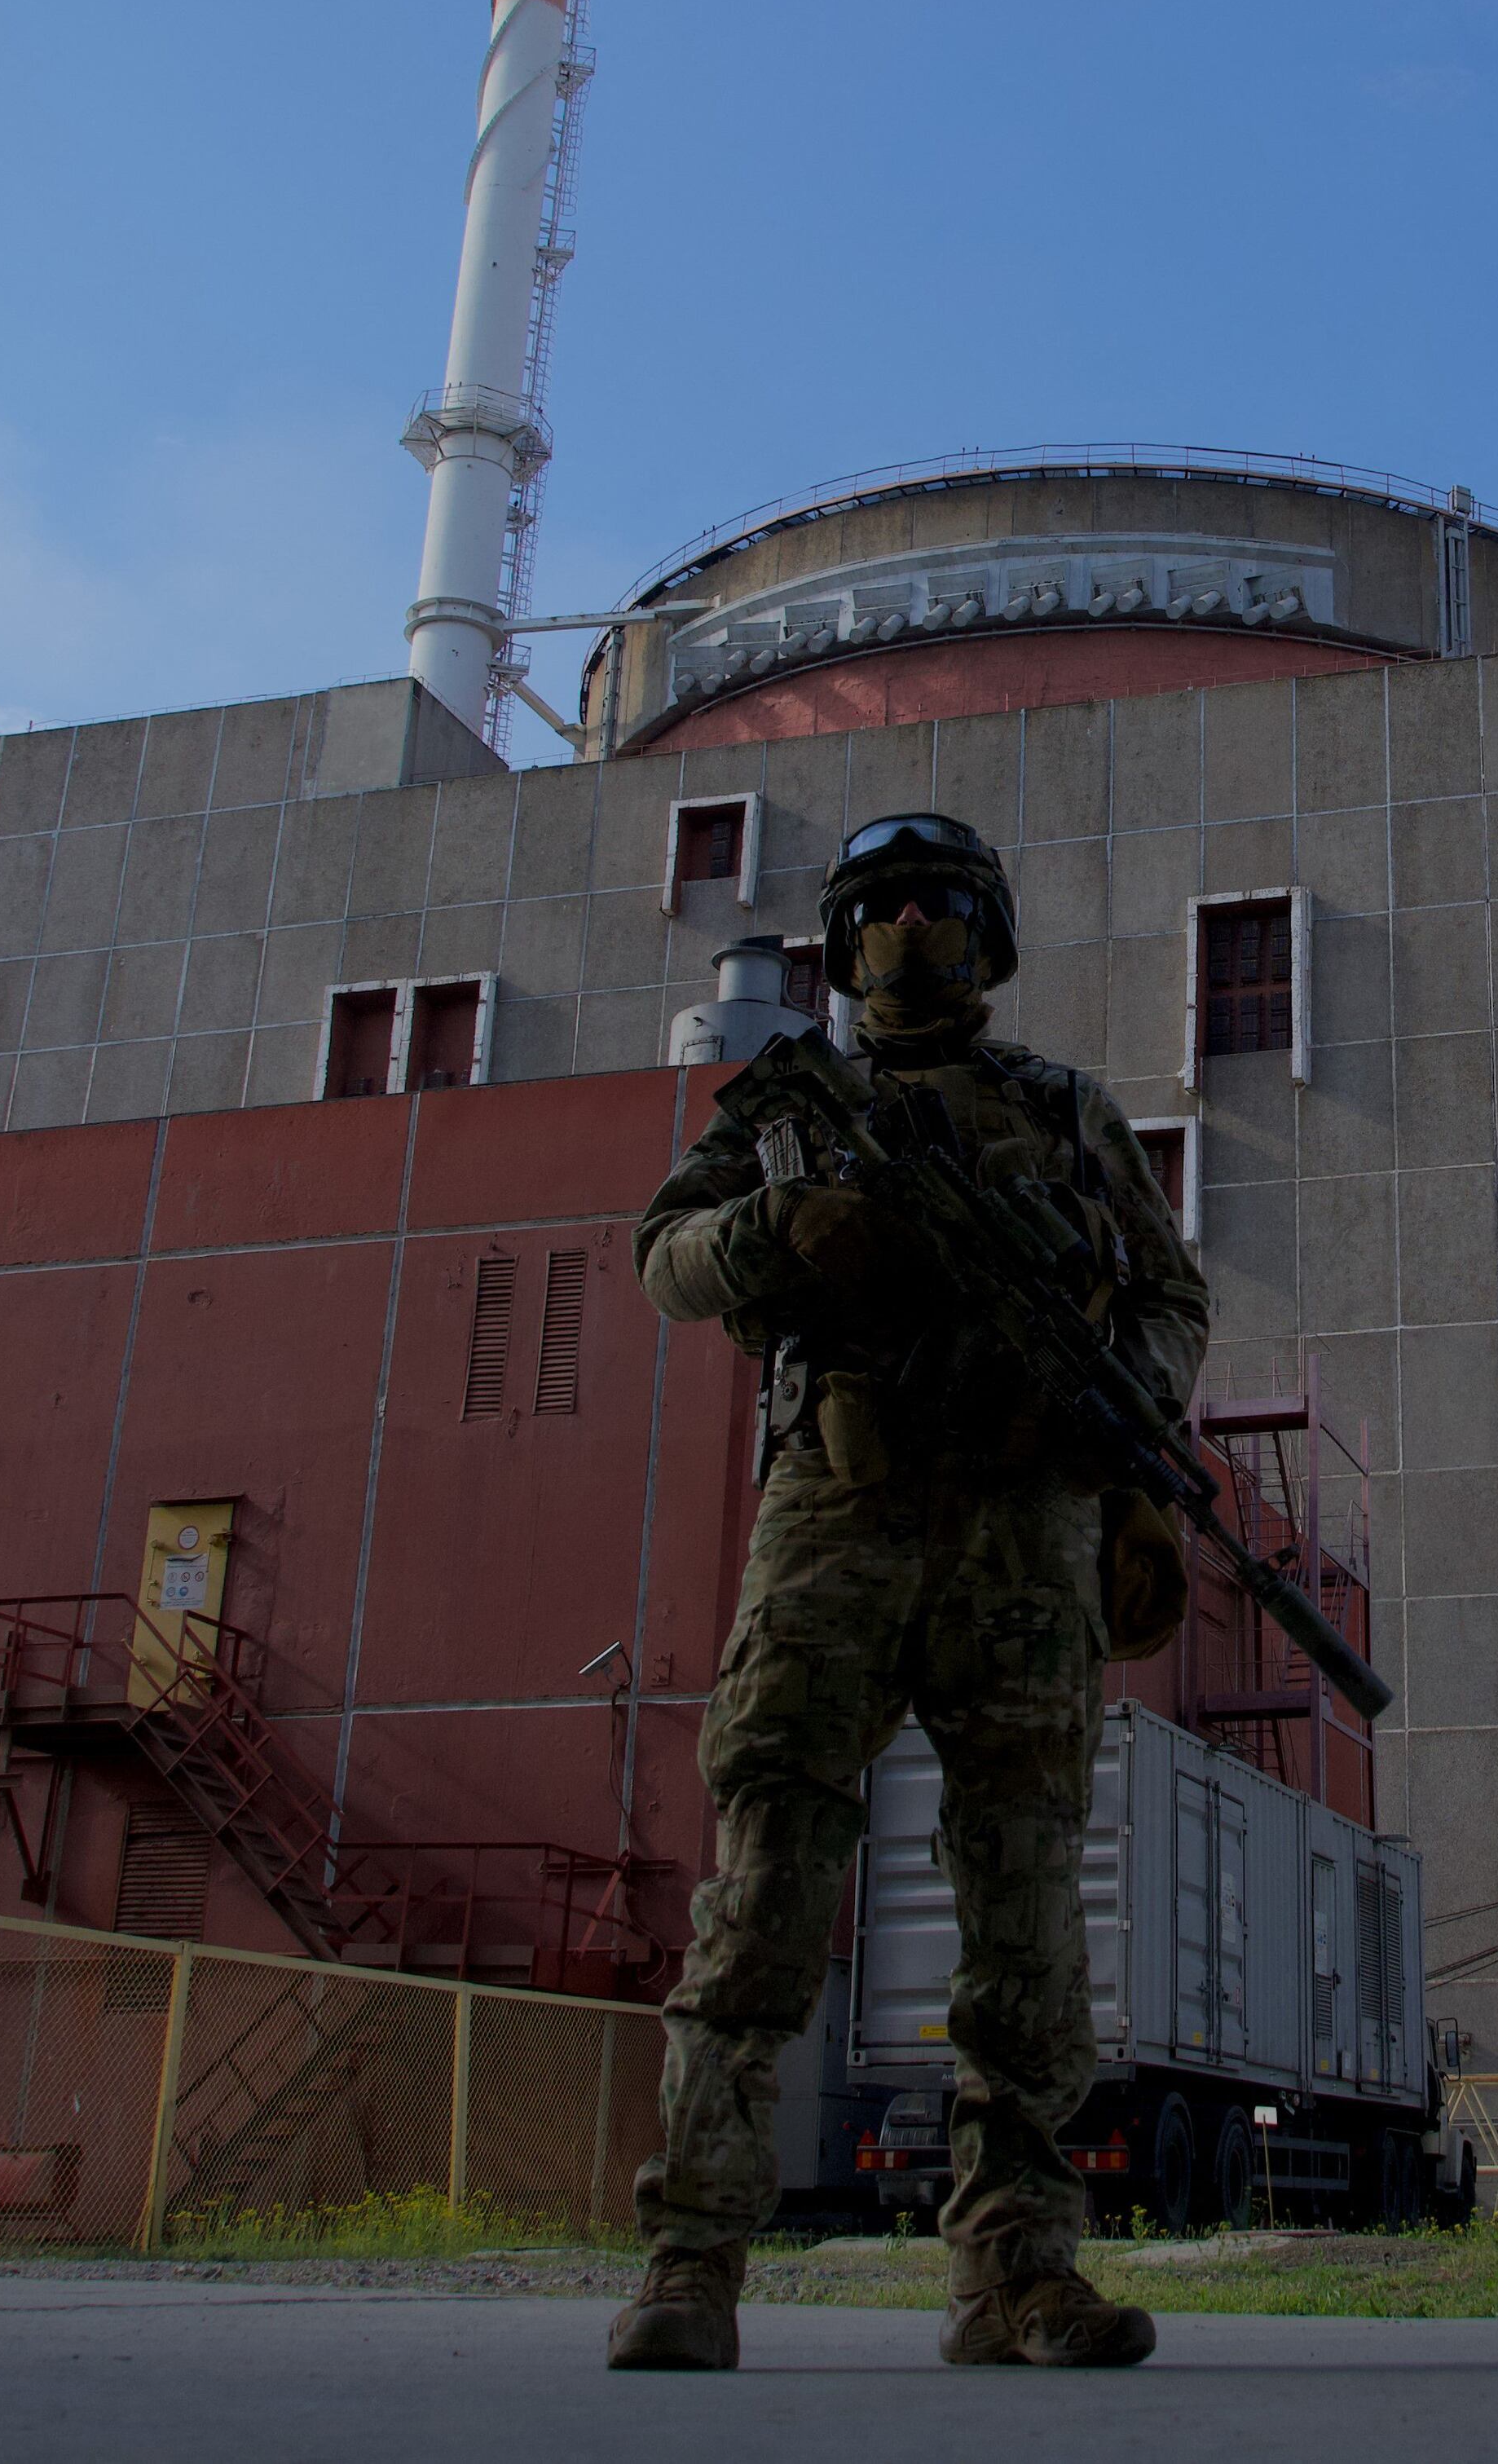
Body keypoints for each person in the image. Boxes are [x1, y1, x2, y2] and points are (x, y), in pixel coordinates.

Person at [608, 811, 1209, 2374]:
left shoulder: (1069, 1114)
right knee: (766, 1886)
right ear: (844, 940)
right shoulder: (792, 1110)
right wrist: (777, 1227)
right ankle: (693, 2261)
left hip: (1025, 1528)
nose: (914, 932)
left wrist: (1119, 1410)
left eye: (944, 905)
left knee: (1025, 1915)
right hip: (840, 1513)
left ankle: (1015, 2272)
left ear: (990, 936)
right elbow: (663, 1254)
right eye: (882, 909)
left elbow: (1168, 1294)